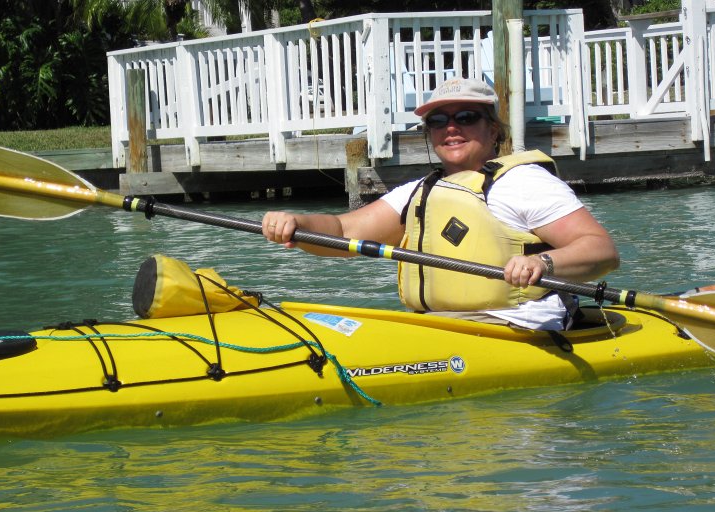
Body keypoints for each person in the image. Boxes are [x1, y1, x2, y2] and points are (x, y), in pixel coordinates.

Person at [262, 77, 620, 330]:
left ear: (494, 129)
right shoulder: (418, 192)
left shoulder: (524, 182)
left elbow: (601, 250)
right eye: (438, 120)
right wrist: (297, 223)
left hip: (517, 328)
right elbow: (343, 232)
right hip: (440, 327)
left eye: (466, 117)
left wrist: (542, 261)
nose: (451, 128)